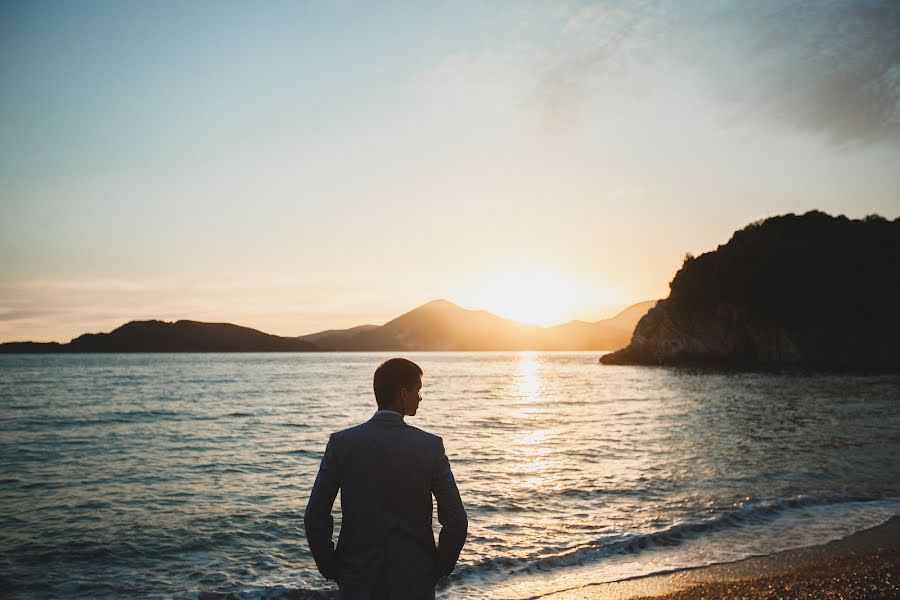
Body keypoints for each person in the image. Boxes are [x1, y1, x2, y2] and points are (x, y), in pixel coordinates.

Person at [304, 358, 468, 599]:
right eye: (418, 390)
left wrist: (331, 568)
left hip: (357, 579)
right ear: (403, 394)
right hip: (414, 580)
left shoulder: (342, 443)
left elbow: (314, 516)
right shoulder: (430, 446)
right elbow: (456, 521)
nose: (420, 398)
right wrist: (439, 568)